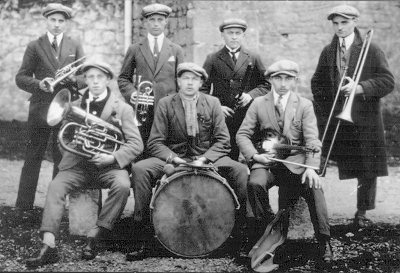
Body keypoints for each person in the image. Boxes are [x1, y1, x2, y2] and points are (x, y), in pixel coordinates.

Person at [25, 60, 143, 268]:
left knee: (123, 185)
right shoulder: (75, 106)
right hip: (79, 166)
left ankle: (97, 234)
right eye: (90, 77)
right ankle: (48, 244)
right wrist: (77, 147)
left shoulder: (122, 108)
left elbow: (136, 144)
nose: (95, 82)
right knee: (55, 186)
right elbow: (64, 139)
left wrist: (112, 158)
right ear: (85, 80)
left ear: (107, 80)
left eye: (100, 77)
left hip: (108, 167)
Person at [127, 62, 249, 261]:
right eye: (185, 78)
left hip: (207, 158)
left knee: (240, 171)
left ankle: (239, 238)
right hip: (175, 158)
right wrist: (174, 159)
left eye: (194, 79)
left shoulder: (212, 103)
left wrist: (204, 159)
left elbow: (223, 141)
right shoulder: (166, 103)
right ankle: (144, 237)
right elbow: (155, 142)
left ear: (201, 82)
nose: (189, 83)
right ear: (178, 81)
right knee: (140, 169)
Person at [236, 60, 333, 264]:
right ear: (270, 79)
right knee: (255, 184)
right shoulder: (258, 103)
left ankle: (324, 241)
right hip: (268, 161)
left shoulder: (304, 105)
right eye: (278, 78)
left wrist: (312, 168)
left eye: (287, 78)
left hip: (297, 164)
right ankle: (265, 233)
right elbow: (243, 134)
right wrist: (254, 156)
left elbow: (312, 140)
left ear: (294, 81)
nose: (282, 83)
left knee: (314, 187)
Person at [311, 5, 394, 227]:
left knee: (367, 166)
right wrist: (326, 106)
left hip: (365, 118)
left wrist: (360, 87)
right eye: (336, 23)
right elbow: (316, 83)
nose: (339, 27)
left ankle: (362, 212)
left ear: (355, 22)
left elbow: (388, 82)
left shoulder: (371, 49)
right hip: (338, 117)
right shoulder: (328, 52)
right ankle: (316, 213)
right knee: (324, 160)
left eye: (344, 22)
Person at [15, 3, 85, 210]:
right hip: (40, 107)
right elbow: (21, 77)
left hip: (65, 108)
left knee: (61, 156)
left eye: (61, 21)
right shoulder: (34, 45)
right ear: (46, 20)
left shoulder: (75, 45)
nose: (56, 25)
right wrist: (39, 84)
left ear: (66, 23)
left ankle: (56, 205)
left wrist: (74, 79)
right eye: (53, 20)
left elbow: (86, 77)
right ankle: (23, 205)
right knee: (33, 155)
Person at [201, 18, 270, 160]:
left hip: (248, 114)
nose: (234, 37)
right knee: (228, 154)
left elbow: (266, 84)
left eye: (238, 33)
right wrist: (217, 107)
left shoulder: (253, 57)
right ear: (222, 35)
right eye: (230, 33)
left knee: (251, 153)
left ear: (243, 35)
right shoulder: (212, 58)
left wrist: (250, 95)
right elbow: (202, 89)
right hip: (224, 116)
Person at [118, 3, 184, 146]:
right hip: (143, 109)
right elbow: (123, 78)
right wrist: (132, 93)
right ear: (145, 22)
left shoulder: (176, 50)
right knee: (142, 147)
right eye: (152, 20)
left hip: (168, 109)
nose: (156, 24)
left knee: (166, 147)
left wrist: (178, 107)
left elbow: (182, 82)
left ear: (166, 22)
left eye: (160, 20)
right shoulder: (135, 49)